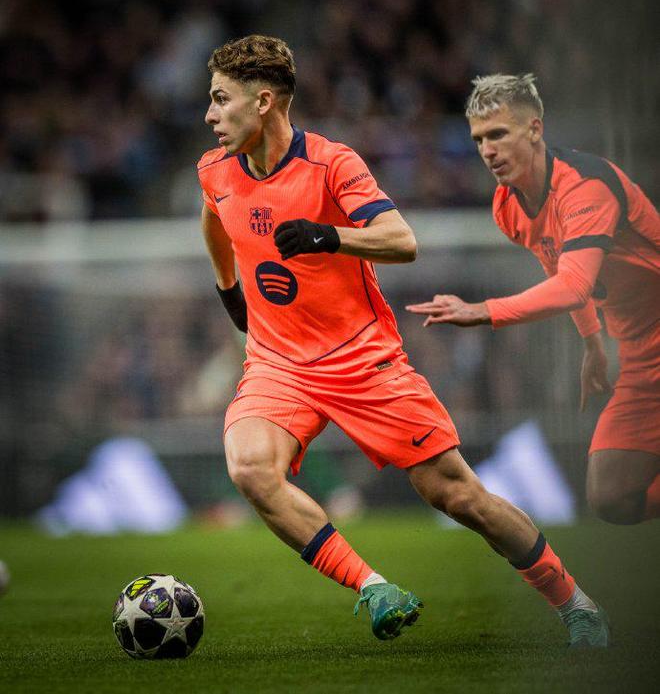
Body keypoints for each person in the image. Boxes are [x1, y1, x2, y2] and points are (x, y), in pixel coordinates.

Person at [199, 36, 609, 646]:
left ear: (263, 102)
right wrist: (229, 289)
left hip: (362, 360)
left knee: (459, 496)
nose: (210, 115)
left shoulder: (332, 164)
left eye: (220, 99)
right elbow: (214, 218)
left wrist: (329, 236)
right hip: (278, 363)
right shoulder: (215, 169)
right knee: (251, 467)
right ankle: (374, 588)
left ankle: (573, 601)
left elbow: (402, 240)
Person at [408, 73, 660, 527]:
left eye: (498, 134)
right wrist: (592, 342)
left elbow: (574, 285)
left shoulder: (586, 186)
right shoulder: (507, 206)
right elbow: (557, 266)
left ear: (535, 129)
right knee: (612, 496)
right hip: (642, 355)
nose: (487, 150)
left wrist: (484, 311)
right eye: (479, 139)